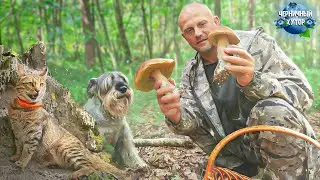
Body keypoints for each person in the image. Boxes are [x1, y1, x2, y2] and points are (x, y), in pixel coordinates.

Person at [154, 2, 320, 180]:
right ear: (184, 37)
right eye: (189, 30)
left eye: (202, 24)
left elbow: (304, 94)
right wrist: (175, 115)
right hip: (240, 155)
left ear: (216, 21)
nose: (197, 33)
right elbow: (193, 123)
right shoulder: (191, 74)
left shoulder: (257, 44)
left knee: (271, 111)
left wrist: (252, 81)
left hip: (287, 149)